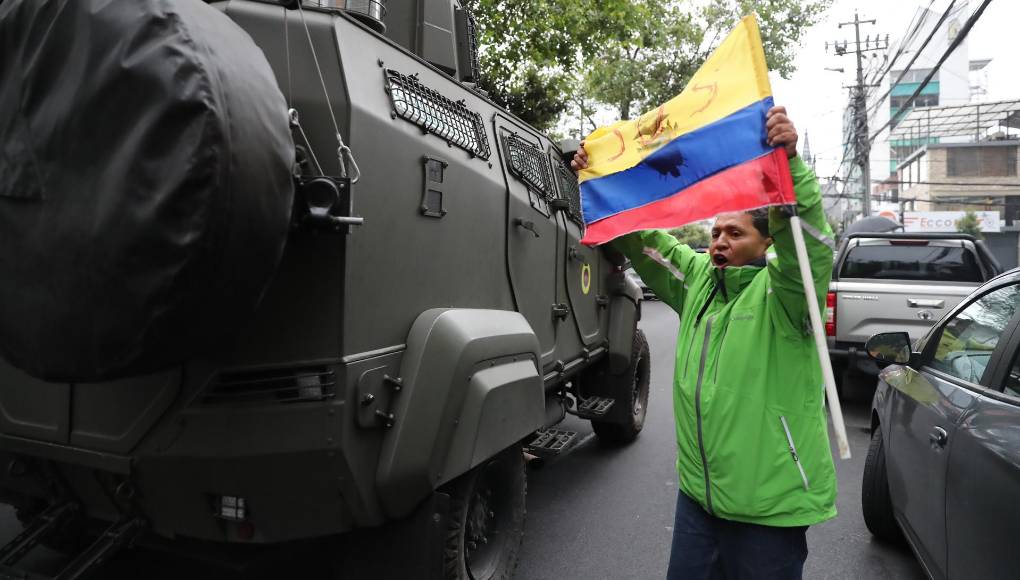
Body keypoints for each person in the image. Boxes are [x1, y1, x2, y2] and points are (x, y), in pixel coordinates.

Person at [572, 106, 837, 580]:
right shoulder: (699, 280)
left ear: (766, 241)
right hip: (699, 499)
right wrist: (601, 180)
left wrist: (790, 168)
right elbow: (647, 242)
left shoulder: (788, 295)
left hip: (768, 512)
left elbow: (808, 247)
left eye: (735, 233)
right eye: (715, 232)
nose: (719, 242)